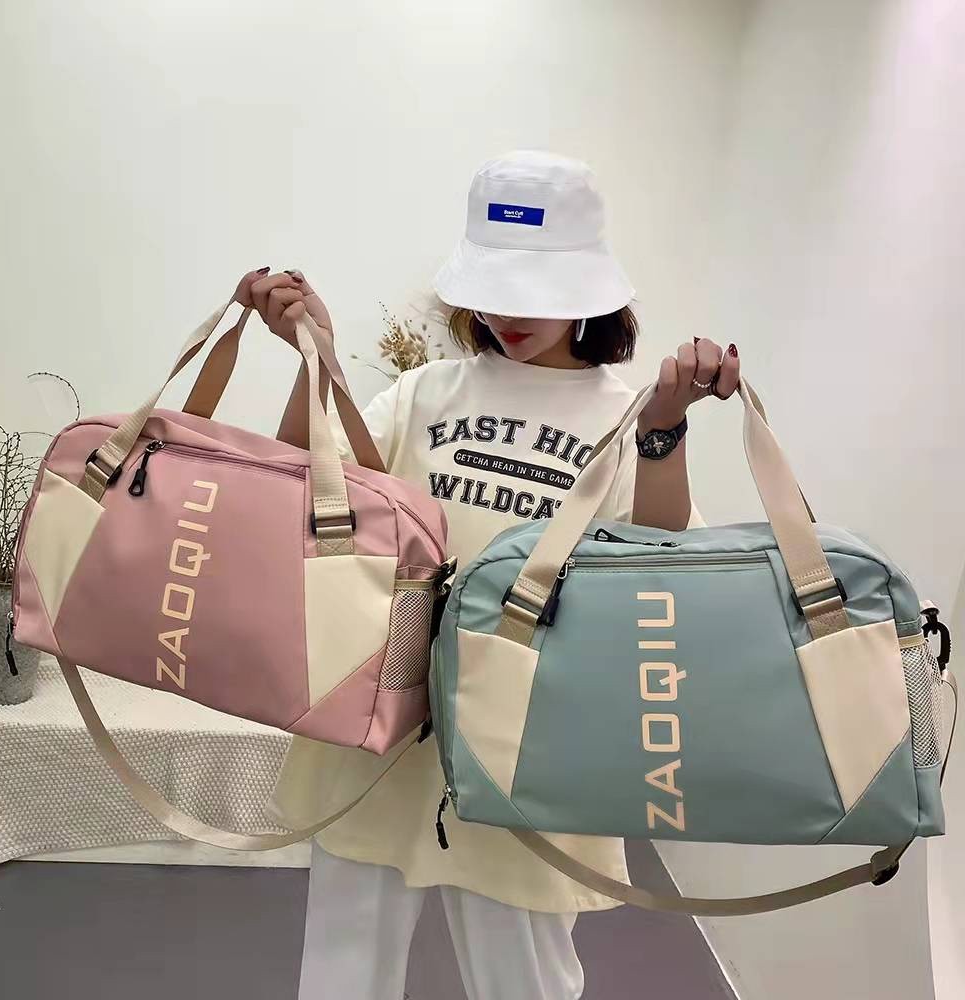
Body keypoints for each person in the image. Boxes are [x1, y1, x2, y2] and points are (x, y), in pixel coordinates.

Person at [238, 150, 740, 1000]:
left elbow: (660, 565)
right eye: (495, 287)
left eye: (535, 291)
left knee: (525, 978)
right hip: (383, 722)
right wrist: (314, 359)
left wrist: (664, 428)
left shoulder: (624, 413)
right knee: (343, 974)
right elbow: (305, 484)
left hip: (532, 742)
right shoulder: (423, 394)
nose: (509, 314)